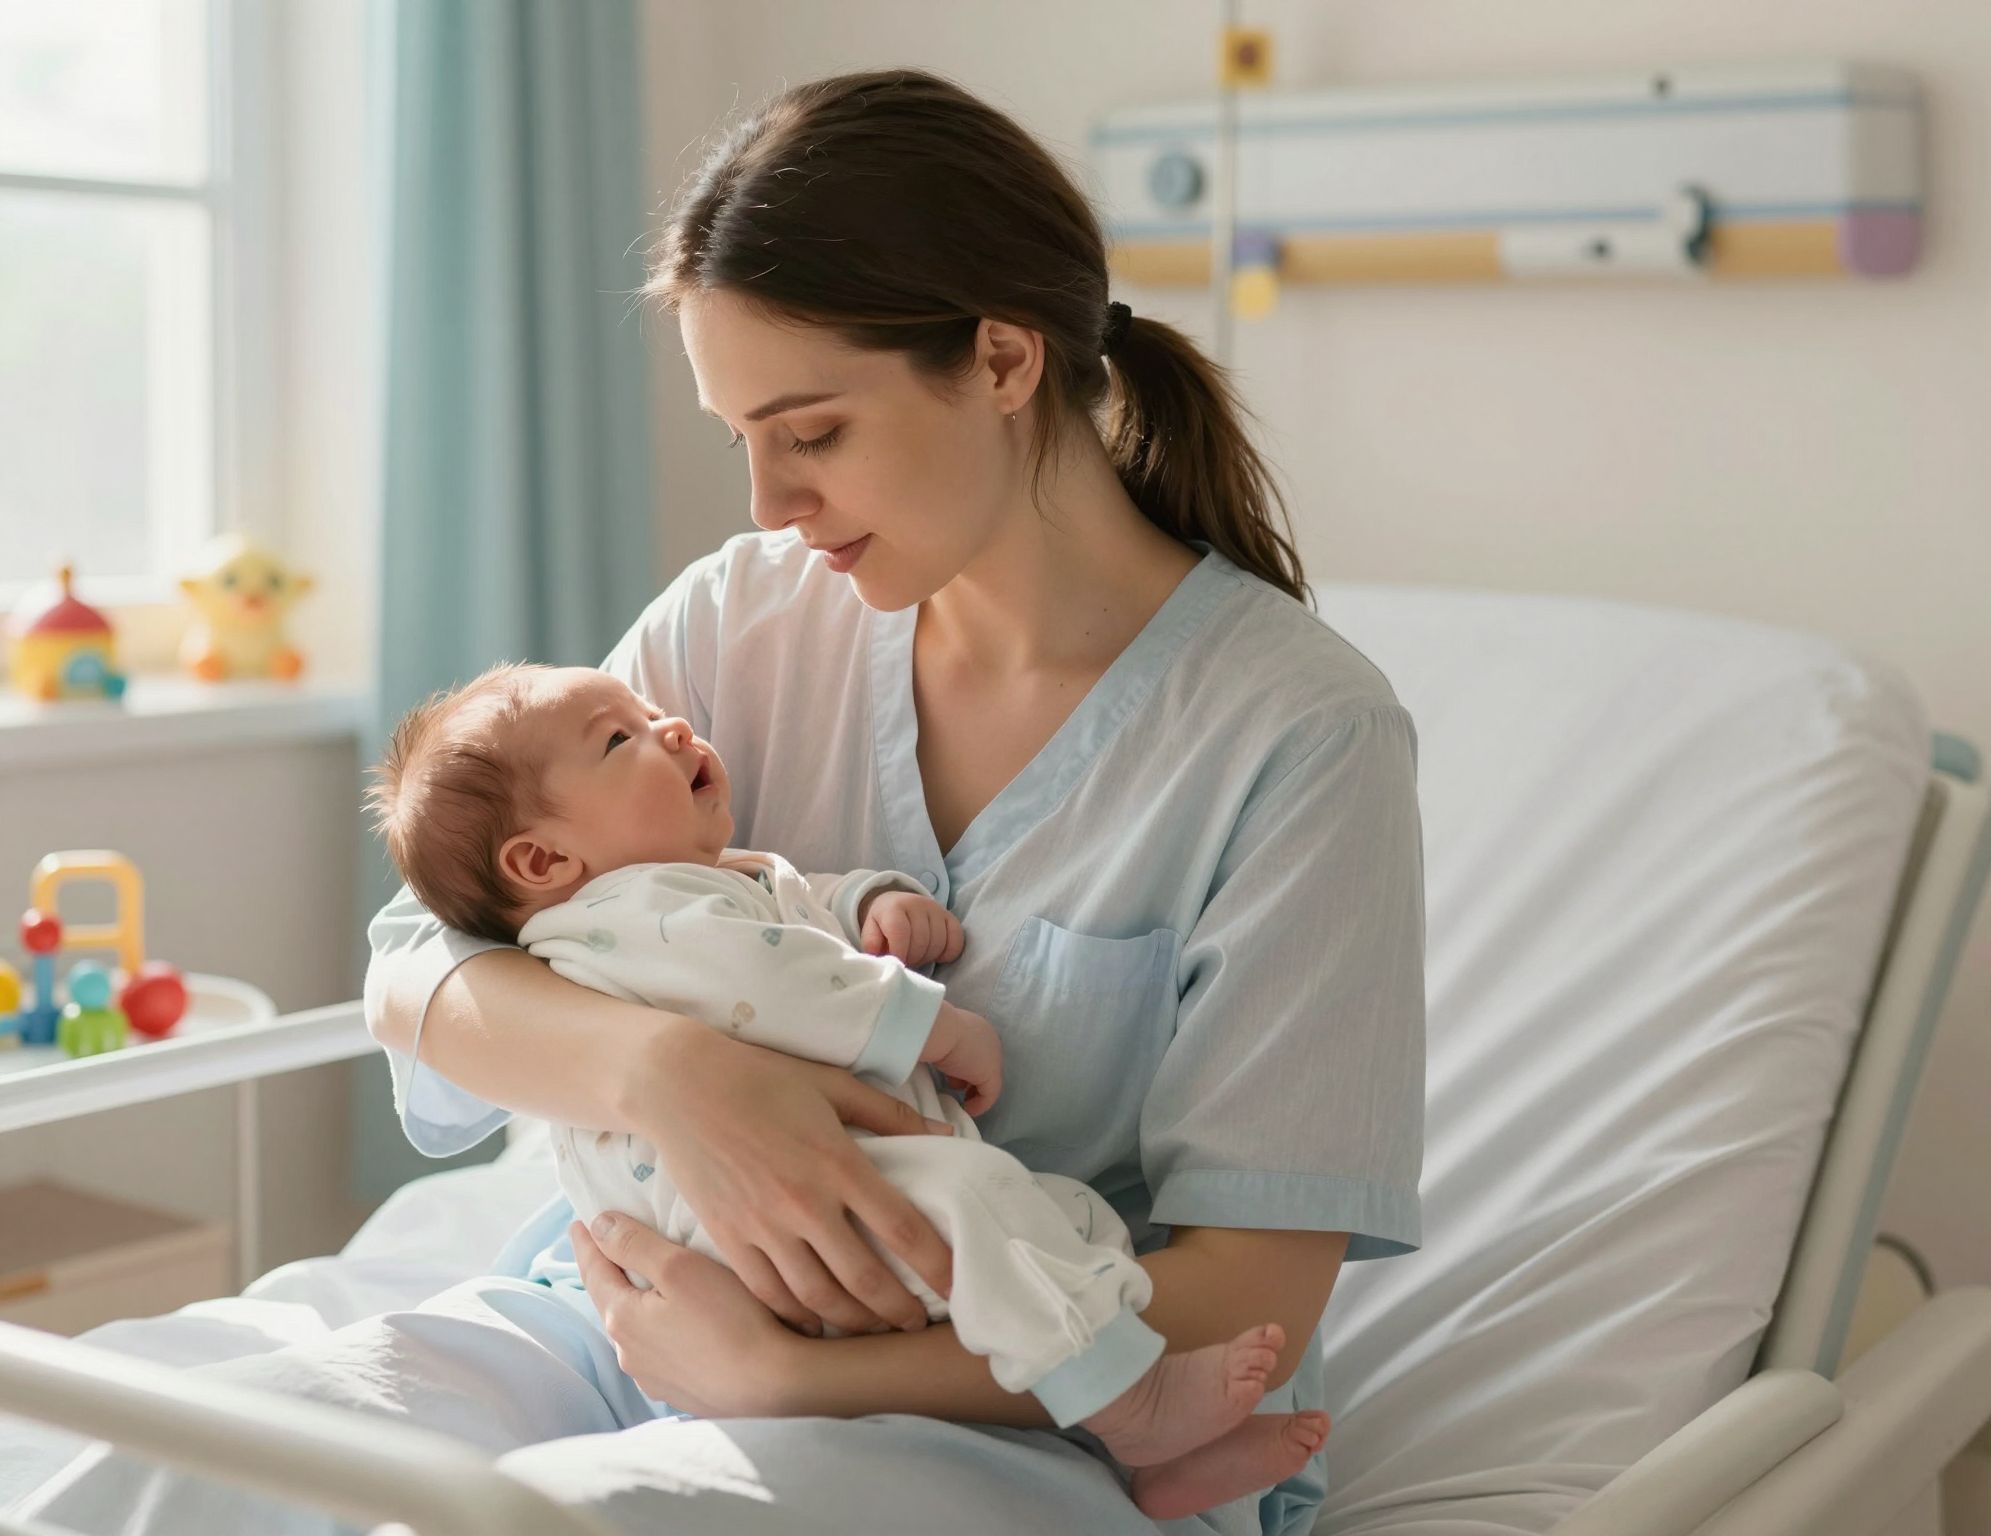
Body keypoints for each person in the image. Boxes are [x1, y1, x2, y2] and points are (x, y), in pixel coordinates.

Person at [10, 67, 1423, 1536]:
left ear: (1004, 361)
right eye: (739, 437)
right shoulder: (744, 620)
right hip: (626, 1313)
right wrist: (671, 1082)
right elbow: (419, 967)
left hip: (1047, 1422)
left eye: (811, 433)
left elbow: (1244, 1305)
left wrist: (781, 1379)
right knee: (194, 1467)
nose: (769, 504)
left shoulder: (1297, 738)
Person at [368, 659, 1332, 1520]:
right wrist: (934, 1022)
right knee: (989, 1208)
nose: (668, 726)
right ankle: (1135, 1406)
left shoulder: (689, 886)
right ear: (543, 862)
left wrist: (872, 904)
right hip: (744, 1238)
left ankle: (1140, 1454)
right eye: (621, 738)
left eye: (650, 708)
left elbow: (792, 904)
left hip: (790, 1238)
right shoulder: (628, 916)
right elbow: (775, 978)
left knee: (1065, 1227)